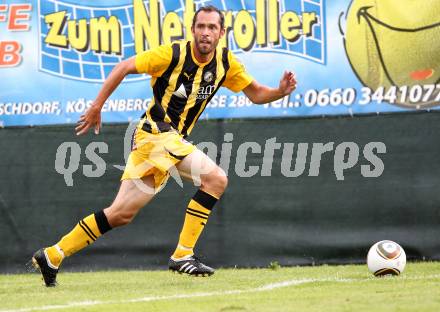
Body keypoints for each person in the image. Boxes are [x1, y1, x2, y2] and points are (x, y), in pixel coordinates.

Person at [31, 5, 297, 286]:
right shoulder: (171, 54)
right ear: (192, 29)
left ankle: (53, 255)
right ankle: (183, 254)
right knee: (216, 179)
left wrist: (279, 91)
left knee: (121, 213)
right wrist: (97, 106)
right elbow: (123, 67)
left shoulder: (225, 63)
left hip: (163, 141)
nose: (206, 32)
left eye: (212, 28)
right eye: (201, 26)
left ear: (221, 33)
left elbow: (256, 94)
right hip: (155, 134)